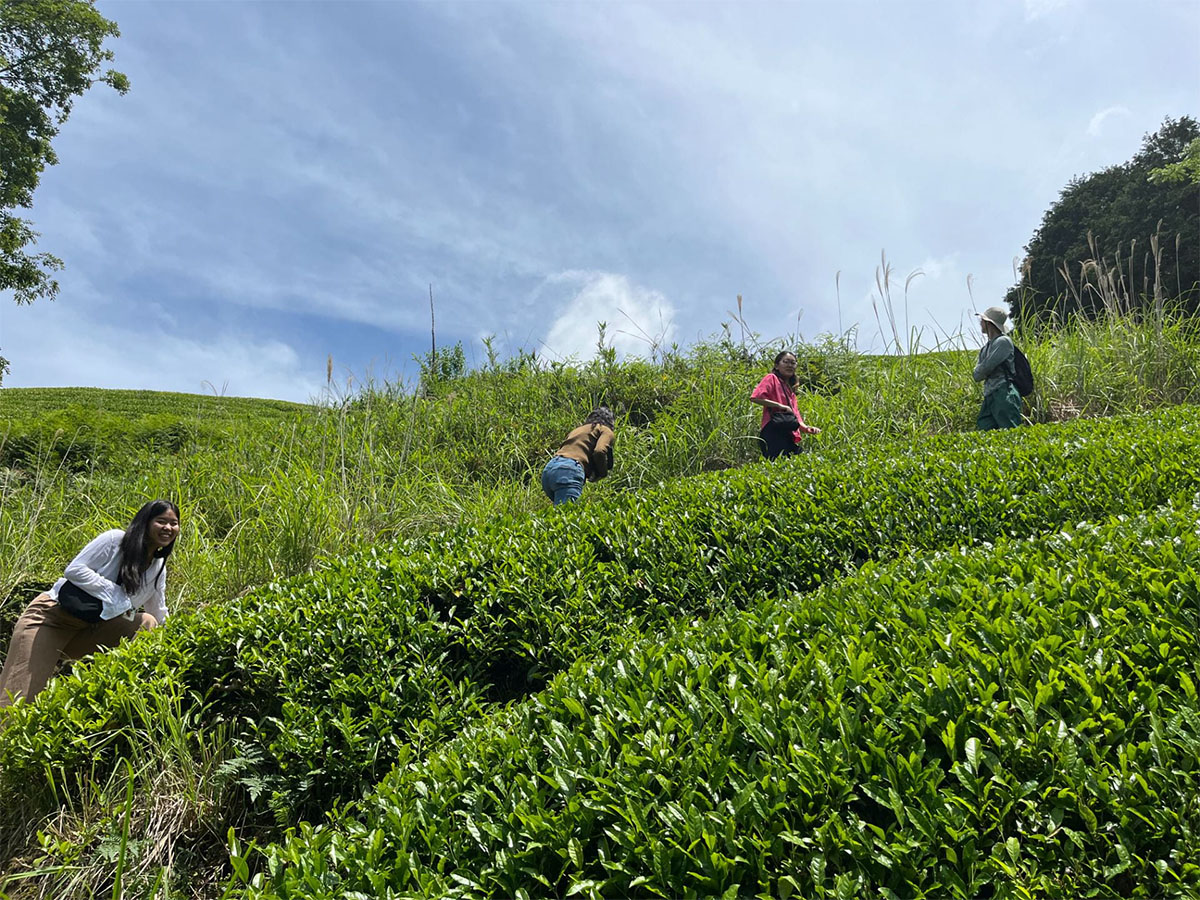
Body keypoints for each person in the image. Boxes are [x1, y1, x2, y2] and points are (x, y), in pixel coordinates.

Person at [0, 499, 180, 708]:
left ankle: (122, 696)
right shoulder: (115, 540)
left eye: (173, 523)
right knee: (17, 698)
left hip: (91, 628)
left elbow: (158, 612)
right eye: (161, 521)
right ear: (146, 522)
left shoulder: (158, 568)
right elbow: (74, 570)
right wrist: (117, 595)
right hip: (51, 620)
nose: (168, 528)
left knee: (146, 622)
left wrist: (180, 646)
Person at [750, 350, 820, 459]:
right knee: (776, 464)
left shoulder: (790, 390)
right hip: (773, 431)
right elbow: (756, 397)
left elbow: (795, 415)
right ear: (777, 366)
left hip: (788, 432)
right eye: (786, 362)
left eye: (793, 363)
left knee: (801, 459)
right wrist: (781, 406)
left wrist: (806, 428)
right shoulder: (771, 378)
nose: (790, 365)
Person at [541, 407, 616, 505]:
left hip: (550, 469)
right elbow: (599, 451)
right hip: (569, 471)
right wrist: (602, 473)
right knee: (567, 515)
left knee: (557, 516)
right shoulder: (605, 430)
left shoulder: (578, 430)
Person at [973, 305, 1022, 431]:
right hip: (990, 393)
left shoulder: (1003, 342)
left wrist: (980, 370)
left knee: (1011, 432)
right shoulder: (986, 347)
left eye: (982, 321)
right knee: (985, 430)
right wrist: (980, 371)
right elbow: (977, 375)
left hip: (1004, 392)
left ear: (989, 323)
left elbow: (985, 367)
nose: (981, 323)